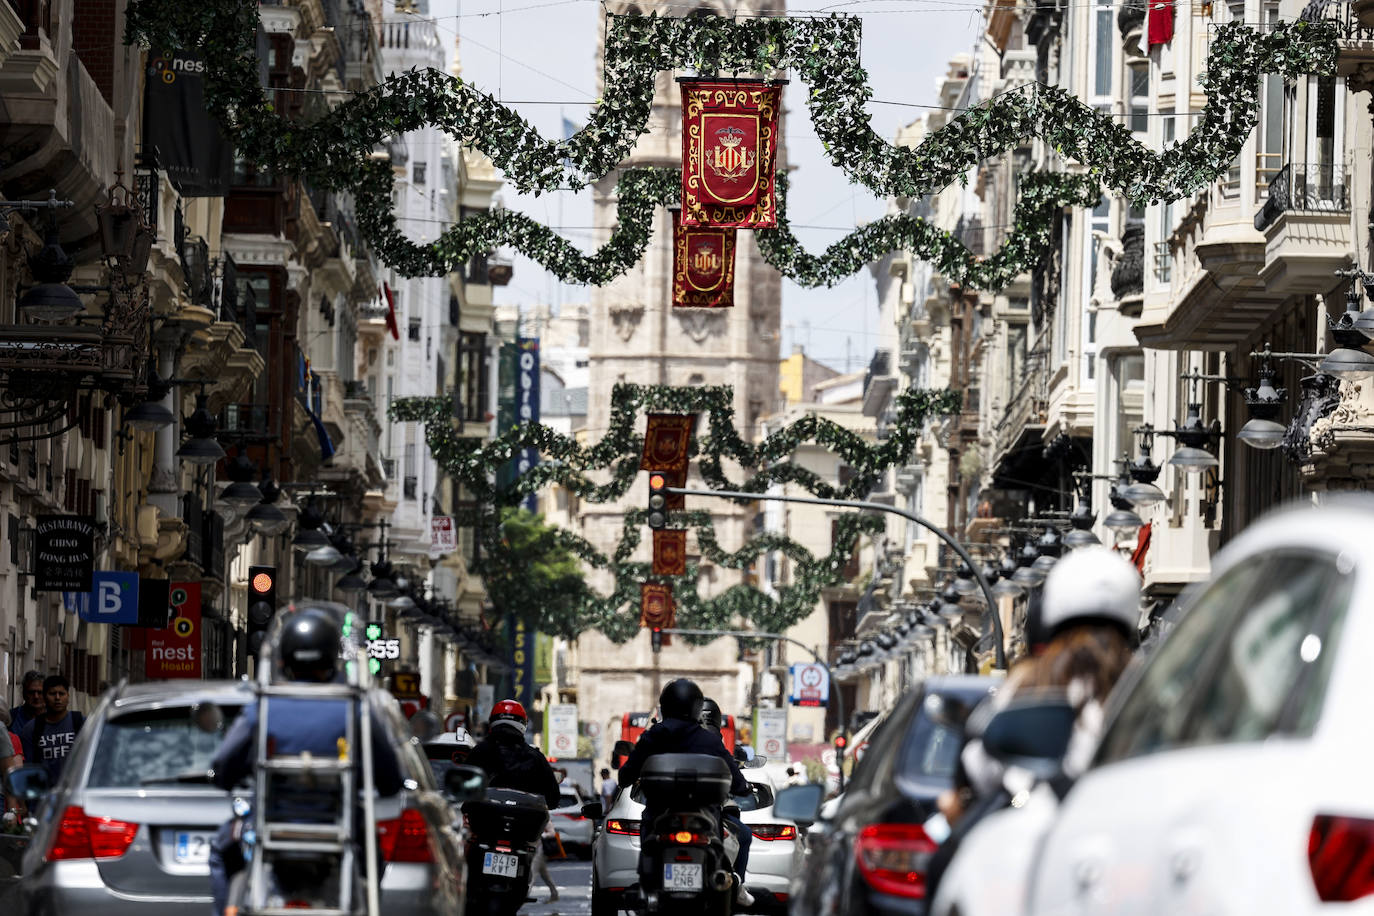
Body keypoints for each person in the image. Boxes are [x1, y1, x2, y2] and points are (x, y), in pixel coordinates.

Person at [924, 545, 1140, 906]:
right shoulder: (1147, 682)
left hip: (1033, 838)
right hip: (1132, 839)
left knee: (943, 867)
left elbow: (978, 768)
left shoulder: (1026, 681)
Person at [207, 606, 404, 916]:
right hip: (341, 827)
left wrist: (226, 776)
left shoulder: (265, 705)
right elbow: (391, 780)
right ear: (331, 659)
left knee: (222, 850)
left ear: (284, 659)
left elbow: (224, 767)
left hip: (269, 825)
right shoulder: (354, 708)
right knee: (372, 857)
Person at [619, 680, 754, 907]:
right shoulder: (709, 739)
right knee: (742, 836)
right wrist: (744, 788)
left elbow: (626, 776)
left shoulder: (654, 736)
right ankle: (733, 883)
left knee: (648, 835)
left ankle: (647, 880)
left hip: (660, 816)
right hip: (705, 820)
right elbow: (737, 781)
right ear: (696, 707)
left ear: (664, 706)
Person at [466, 700, 562, 902]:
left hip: (486, 830)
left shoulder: (479, 751)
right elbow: (553, 797)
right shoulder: (535, 757)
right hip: (519, 835)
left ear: (493, 722)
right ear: (522, 724)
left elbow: (463, 788)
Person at [17, 674, 84, 782]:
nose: (57, 698)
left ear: (68, 696)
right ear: (45, 696)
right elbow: (27, 769)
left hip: (75, 791)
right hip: (43, 794)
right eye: (52, 694)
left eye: (61, 694)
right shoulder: (31, 729)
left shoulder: (81, 723)